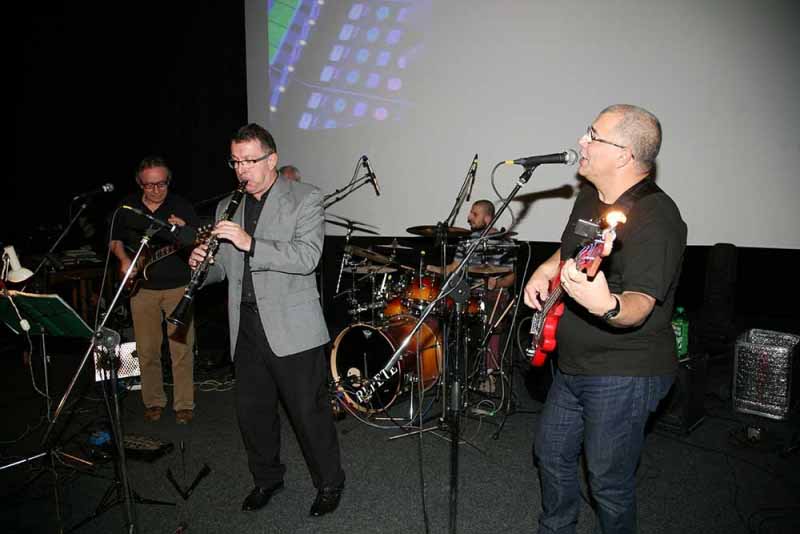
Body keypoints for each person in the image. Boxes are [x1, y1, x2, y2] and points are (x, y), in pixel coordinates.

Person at [523, 104, 687, 534]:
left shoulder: (657, 217)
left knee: (608, 483)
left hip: (625, 371)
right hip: (574, 364)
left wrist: (606, 305)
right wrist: (545, 269)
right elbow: (571, 250)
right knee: (551, 454)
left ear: (623, 155)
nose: (582, 141)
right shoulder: (590, 196)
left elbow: (639, 303)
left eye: (593, 135)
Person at [188, 123, 345, 517]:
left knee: (308, 413)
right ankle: (267, 478)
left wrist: (250, 242)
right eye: (235, 161)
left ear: (271, 160)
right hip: (245, 326)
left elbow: (306, 257)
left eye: (249, 160)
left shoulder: (305, 198)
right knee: (253, 413)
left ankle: (329, 482)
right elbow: (224, 269)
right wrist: (202, 266)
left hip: (293, 326)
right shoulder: (229, 205)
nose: (241, 169)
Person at [110, 156, 200, 424]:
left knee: (181, 349)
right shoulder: (127, 207)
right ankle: (153, 401)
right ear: (140, 184)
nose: (156, 190)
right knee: (147, 349)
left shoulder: (181, 205)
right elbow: (114, 240)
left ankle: (184, 404)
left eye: (162, 184)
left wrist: (185, 231)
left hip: (178, 287)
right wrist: (124, 260)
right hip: (141, 289)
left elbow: (198, 240)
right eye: (150, 185)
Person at [428, 200, 516, 389]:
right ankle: (434, 367)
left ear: (488, 218)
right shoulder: (466, 241)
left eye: (474, 214)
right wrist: (433, 268)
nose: (468, 218)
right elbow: (453, 267)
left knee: (490, 317)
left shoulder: (505, 242)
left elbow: (511, 277)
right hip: (468, 293)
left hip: (494, 293)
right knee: (436, 310)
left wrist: (497, 283)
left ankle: (489, 374)